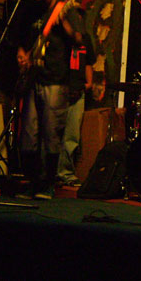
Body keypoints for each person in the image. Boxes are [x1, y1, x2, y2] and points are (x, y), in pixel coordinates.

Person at [17, 0, 80, 200]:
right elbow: (24, 41)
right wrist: (22, 54)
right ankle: (32, 182)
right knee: (29, 134)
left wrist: (66, 27)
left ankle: (48, 184)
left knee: (51, 134)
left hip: (55, 79)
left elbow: (80, 39)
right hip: (34, 78)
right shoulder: (33, 12)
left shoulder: (64, 10)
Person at [57, 22, 96, 187]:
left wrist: (89, 82)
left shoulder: (85, 38)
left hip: (78, 92)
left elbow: (88, 62)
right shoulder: (62, 37)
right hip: (60, 90)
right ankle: (49, 173)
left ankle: (65, 172)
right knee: (54, 133)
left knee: (72, 136)